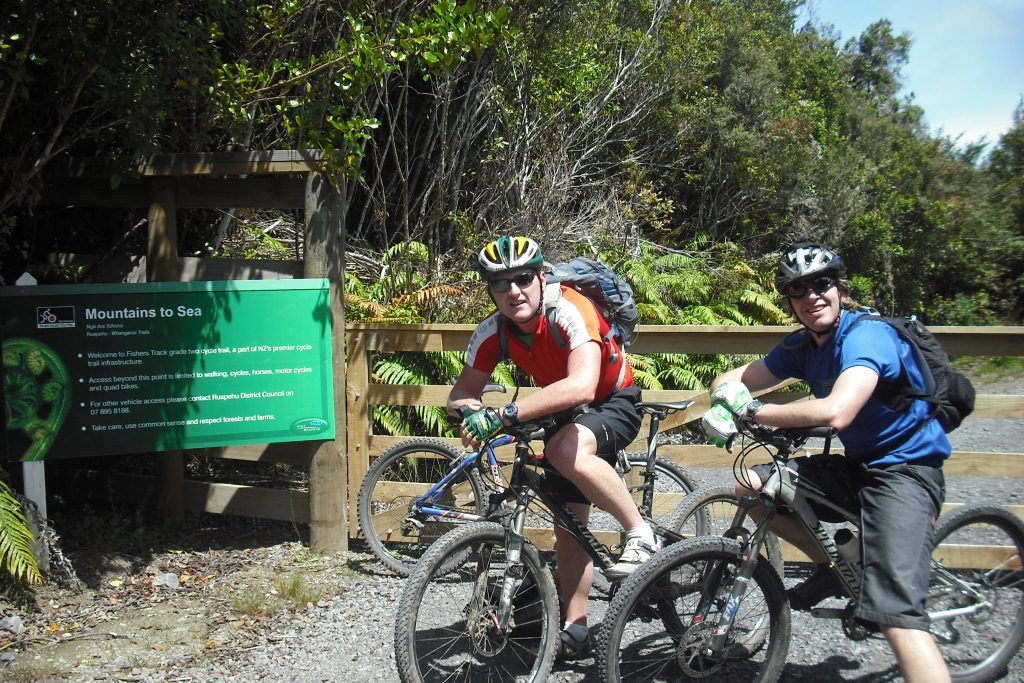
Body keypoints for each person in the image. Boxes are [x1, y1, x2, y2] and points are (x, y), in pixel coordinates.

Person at [703, 241, 952, 683]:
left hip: (907, 472)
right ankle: (832, 568)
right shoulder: (804, 346)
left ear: (839, 288)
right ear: (789, 301)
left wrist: (754, 411)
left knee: (896, 615)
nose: (811, 296)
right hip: (859, 465)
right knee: (754, 487)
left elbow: (837, 411)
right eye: (798, 290)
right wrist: (724, 401)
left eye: (821, 284)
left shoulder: (867, 337)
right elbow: (733, 378)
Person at [447, 235, 655, 660]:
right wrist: (472, 412)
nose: (513, 291)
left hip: (612, 400)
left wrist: (504, 414)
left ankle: (641, 533)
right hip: (563, 414)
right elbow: (461, 393)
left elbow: (582, 385)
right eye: (500, 283)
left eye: (523, 278)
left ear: (542, 278)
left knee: (563, 452)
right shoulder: (493, 331)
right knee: (568, 528)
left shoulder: (570, 309)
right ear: (490, 291)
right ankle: (576, 630)